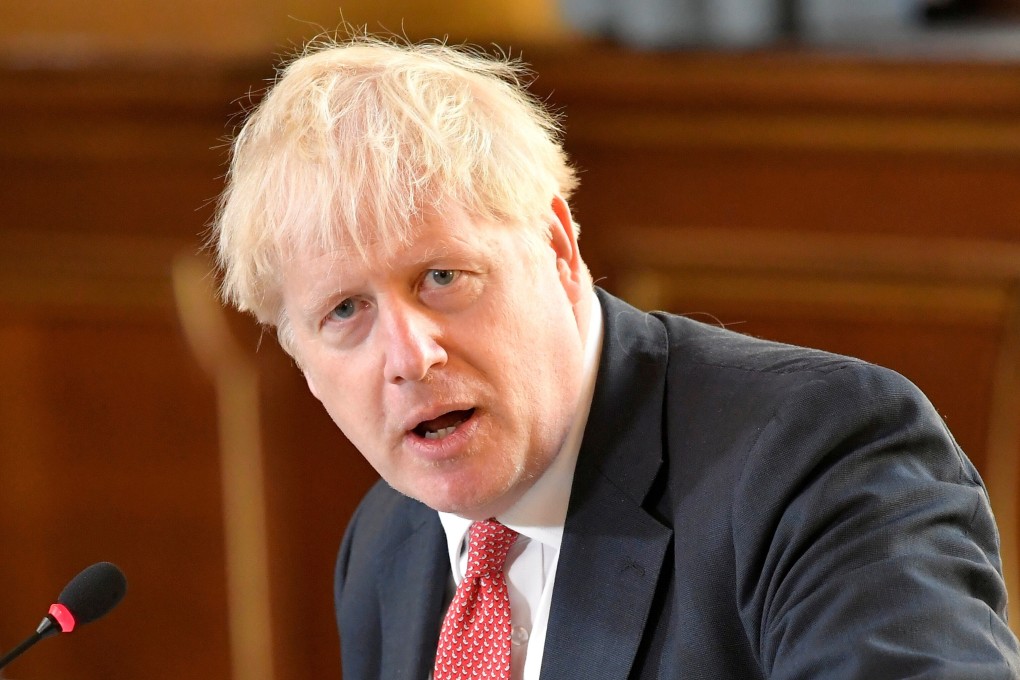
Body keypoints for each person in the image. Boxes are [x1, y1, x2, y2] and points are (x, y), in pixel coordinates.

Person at [212, 35, 1020, 679]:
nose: (410, 355)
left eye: (443, 277)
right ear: (302, 361)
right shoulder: (387, 546)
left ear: (560, 248)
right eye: (345, 311)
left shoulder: (815, 456)